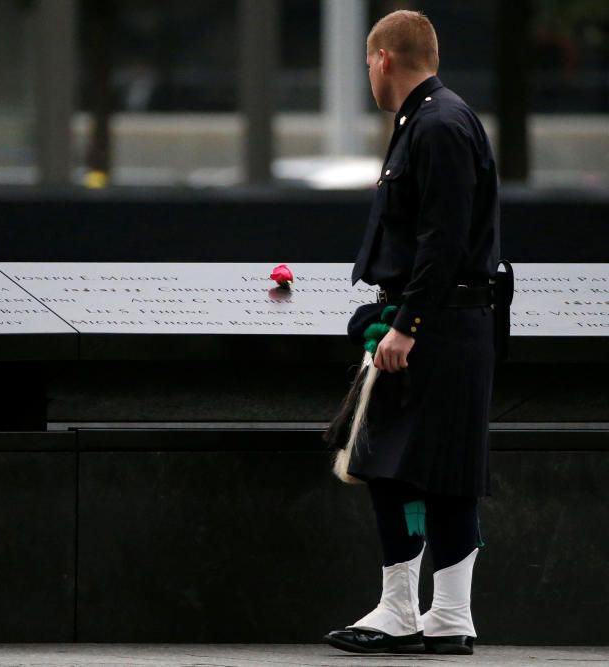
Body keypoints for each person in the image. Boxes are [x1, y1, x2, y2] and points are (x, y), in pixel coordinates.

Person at [323, 10, 500, 656]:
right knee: (417, 468)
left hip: (439, 327)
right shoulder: (430, 121)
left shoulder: (439, 125)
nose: (369, 72)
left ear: (382, 59)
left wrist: (407, 324)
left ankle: (428, 610)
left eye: (368, 62)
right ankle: (428, 611)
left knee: (422, 468)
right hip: (440, 322)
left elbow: (443, 241)